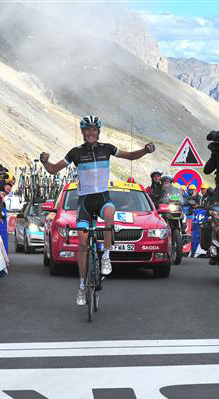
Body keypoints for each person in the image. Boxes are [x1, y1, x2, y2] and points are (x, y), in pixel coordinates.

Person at [39, 115, 155, 305]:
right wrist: (45, 161)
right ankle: (82, 286)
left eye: (94, 130)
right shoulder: (75, 153)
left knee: (110, 213)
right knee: (83, 244)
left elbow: (130, 156)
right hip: (84, 202)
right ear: (83, 133)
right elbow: (53, 169)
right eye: (88, 130)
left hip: (102, 198)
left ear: (98, 133)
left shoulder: (107, 149)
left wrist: (145, 150)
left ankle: (106, 257)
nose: (91, 133)